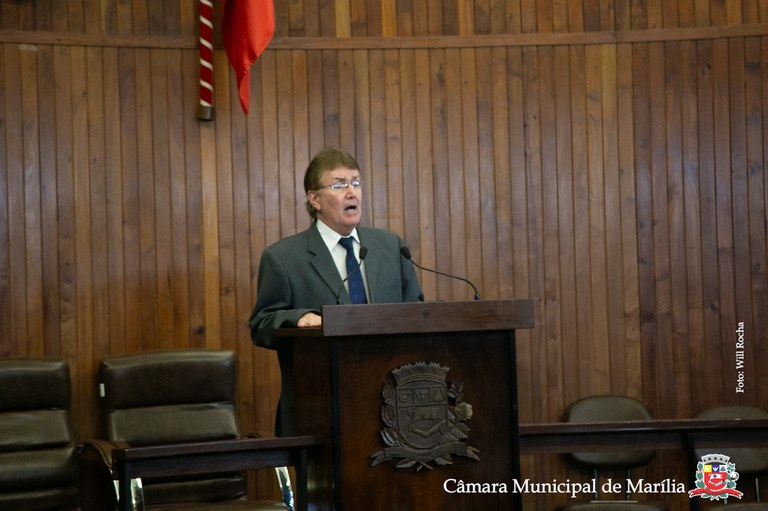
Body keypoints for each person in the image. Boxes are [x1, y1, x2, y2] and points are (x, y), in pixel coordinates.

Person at [248, 147, 424, 436]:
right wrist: (298, 318)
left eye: (356, 182)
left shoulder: (391, 247)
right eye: (339, 185)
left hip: (392, 408)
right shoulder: (283, 258)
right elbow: (261, 325)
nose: (352, 192)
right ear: (314, 198)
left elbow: (416, 311)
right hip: (318, 409)